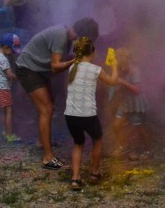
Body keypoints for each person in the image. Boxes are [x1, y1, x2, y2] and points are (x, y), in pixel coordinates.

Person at [14, 17, 100, 170]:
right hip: (28, 69)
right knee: (46, 109)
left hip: (38, 71)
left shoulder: (66, 35)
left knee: (48, 106)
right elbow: (55, 66)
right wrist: (74, 61)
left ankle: (42, 142)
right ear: (83, 34)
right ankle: (48, 158)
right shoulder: (61, 36)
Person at [65, 36, 118, 191]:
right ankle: (94, 174)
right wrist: (115, 66)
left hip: (70, 115)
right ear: (92, 52)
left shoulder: (71, 68)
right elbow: (113, 81)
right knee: (97, 139)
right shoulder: (96, 69)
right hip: (87, 115)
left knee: (78, 143)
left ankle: (75, 179)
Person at [111, 47, 151, 160]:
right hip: (125, 103)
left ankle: (147, 149)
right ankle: (123, 146)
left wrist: (123, 82)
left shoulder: (135, 70)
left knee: (139, 129)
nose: (117, 61)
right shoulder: (120, 69)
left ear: (125, 59)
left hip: (135, 103)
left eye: (118, 58)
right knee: (116, 126)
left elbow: (137, 90)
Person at [0, 33, 20, 143]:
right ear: (6, 47)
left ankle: (5, 131)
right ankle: (10, 135)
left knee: (3, 110)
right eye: (12, 50)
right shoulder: (3, 60)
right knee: (9, 110)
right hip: (3, 88)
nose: (13, 53)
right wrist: (20, 78)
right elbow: (10, 75)